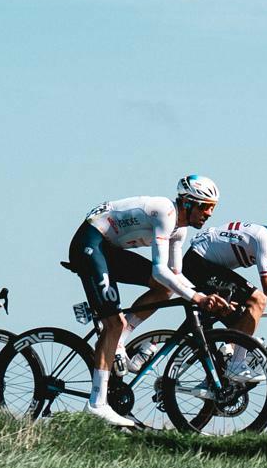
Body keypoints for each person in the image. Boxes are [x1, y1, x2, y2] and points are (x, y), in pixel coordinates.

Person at [66, 176, 229, 427]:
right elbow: (158, 270)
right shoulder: (165, 211)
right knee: (112, 323)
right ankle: (97, 404)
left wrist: (205, 294)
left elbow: (174, 275)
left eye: (212, 208)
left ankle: (120, 339)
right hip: (90, 244)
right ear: (187, 203)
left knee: (165, 290)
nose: (209, 213)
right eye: (204, 206)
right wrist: (198, 297)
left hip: (109, 250)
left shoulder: (180, 230)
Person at [131, 201, 267, 380]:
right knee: (258, 301)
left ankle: (220, 358)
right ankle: (235, 365)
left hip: (207, 265)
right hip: (199, 263)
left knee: (240, 320)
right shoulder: (265, 240)